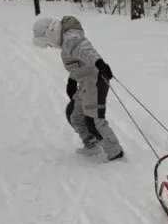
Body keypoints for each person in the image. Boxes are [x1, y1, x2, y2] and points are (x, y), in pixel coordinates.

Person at [32, 15, 124, 161]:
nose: (50, 46)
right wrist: (72, 80)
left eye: (48, 43)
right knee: (73, 115)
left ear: (50, 33)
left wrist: (99, 63)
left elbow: (84, 50)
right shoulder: (67, 39)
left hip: (95, 80)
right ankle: (92, 145)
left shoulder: (70, 38)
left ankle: (116, 155)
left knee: (94, 121)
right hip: (85, 82)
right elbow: (79, 63)